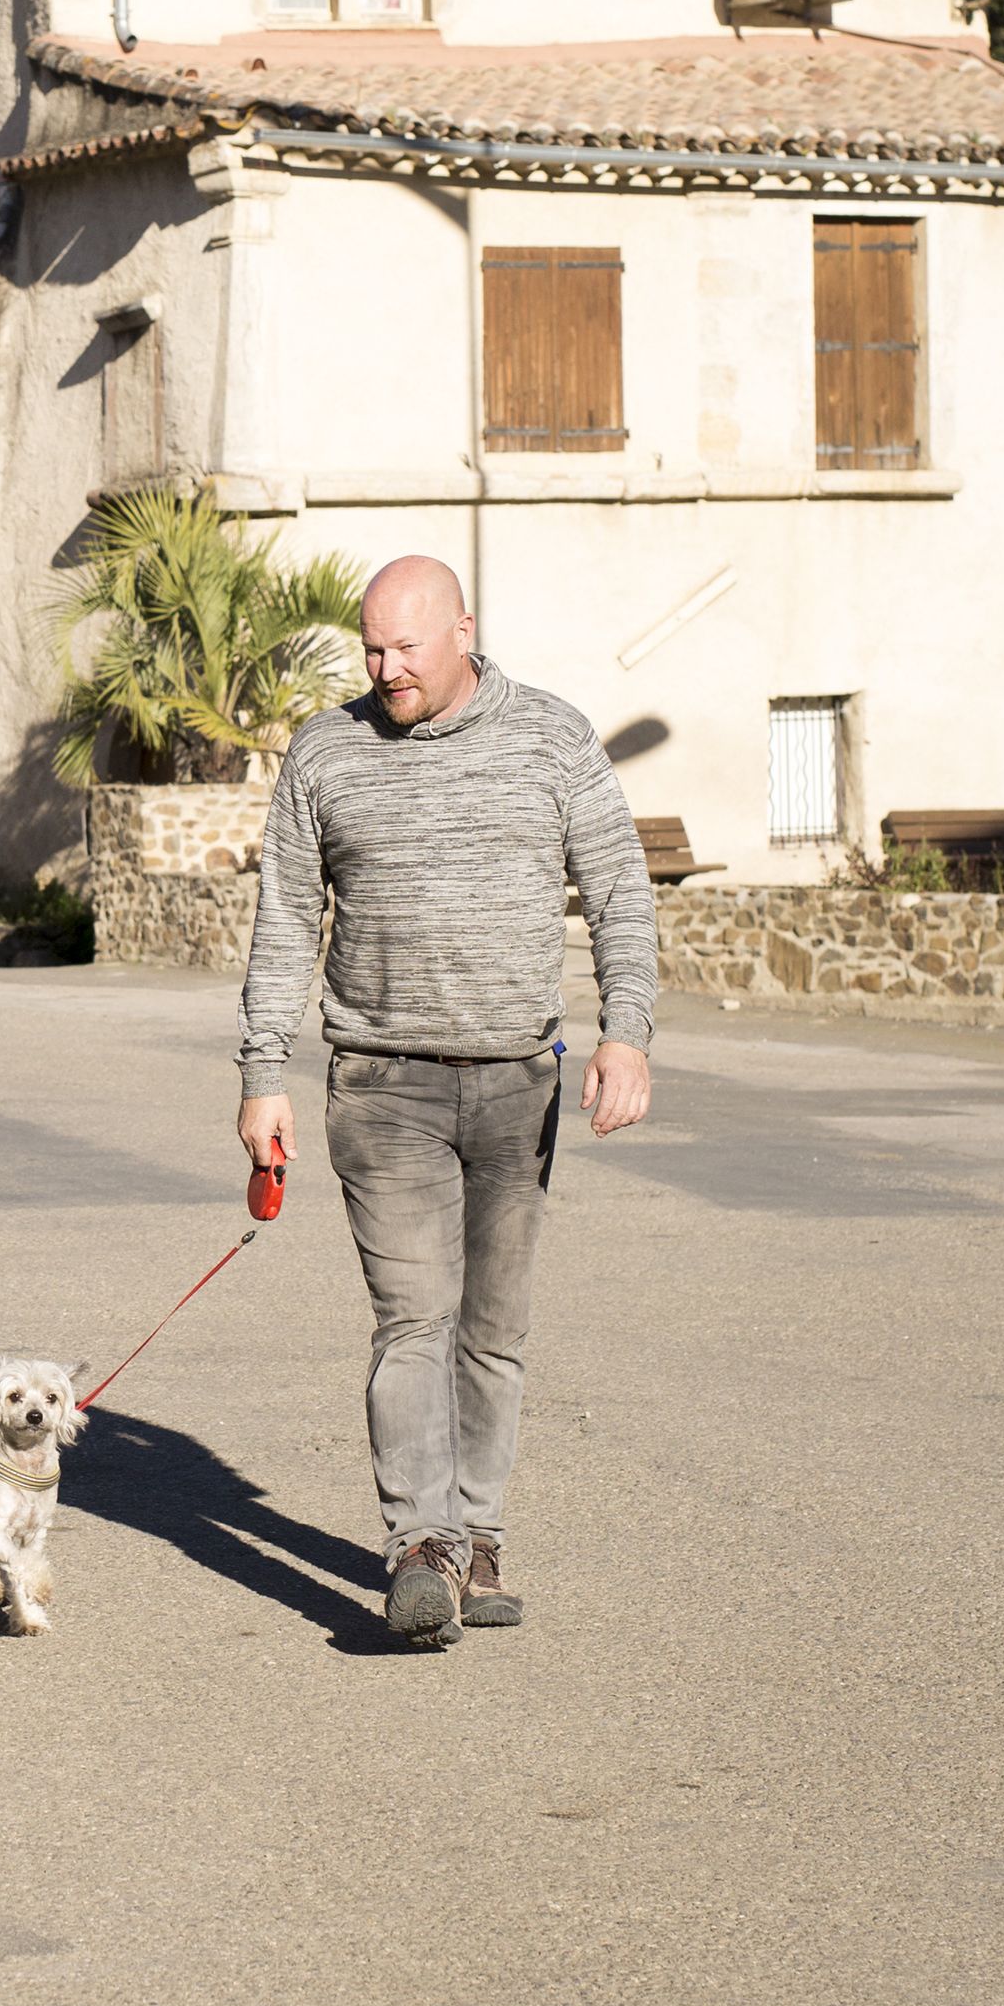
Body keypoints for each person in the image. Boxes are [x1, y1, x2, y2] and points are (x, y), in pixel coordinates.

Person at [235, 556, 655, 1648]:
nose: (384, 670)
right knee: (413, 1320)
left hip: (519, 1080)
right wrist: (262, 1075)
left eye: (406, 649)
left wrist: (626, 1035)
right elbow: (284, 921)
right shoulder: (327, 753)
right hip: (381, 1084)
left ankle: (480, 1537)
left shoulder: (552, 738)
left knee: (494, 1329)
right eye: (370, 649)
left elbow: (617, 886)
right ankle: (419, 1548)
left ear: (463, 630)